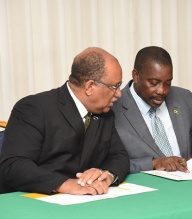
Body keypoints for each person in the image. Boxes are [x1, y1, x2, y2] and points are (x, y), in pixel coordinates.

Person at [0, 47, 130, 195]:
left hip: (85, 201)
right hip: (33, 199)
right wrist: (64, 184)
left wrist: (106, 175)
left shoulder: (105, 114)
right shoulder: (34, 108)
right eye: (115, 86)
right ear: (90, 86)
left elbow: (119, 155)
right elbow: (13, 165)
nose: (119, 94)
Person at [111, 46, 192, 174]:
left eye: (167, 83)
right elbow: (107, 164)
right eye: (154, 82)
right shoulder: (113, 109)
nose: (162, 90)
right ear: (136, 76)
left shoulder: (184, 98)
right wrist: (153, 163)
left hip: (189, 182)